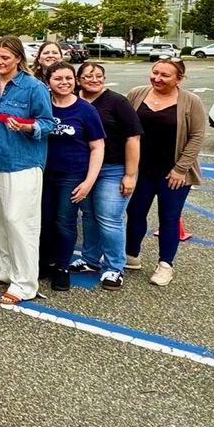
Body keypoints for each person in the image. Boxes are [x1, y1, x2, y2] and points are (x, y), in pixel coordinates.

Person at [0, 36, 56, 305]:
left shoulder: (33, 87)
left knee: (19, 221)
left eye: (5, 58)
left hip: (21, 160)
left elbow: (48, 123)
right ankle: (1, 269)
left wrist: (28, 127)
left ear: (18, 59)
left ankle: (24, 283)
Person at [124, 57, 205, 287]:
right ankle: (131, 255)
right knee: (136, 212)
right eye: (155, 72)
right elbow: (125, 126)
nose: (157, 78)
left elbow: (197, 136)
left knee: (169, 218)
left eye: (165, 75)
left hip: (173, 174)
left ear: (179, 79)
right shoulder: (137, 94)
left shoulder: (191, 101)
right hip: (141, 170)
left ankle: (165, 265)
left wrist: (180, 169)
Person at [75, 62, 142, 290]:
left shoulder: (117, 102)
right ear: (78, 79)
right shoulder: (74, 100)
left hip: (113, 169)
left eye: (99, 75)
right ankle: (90, 260)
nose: (94, 79)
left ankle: (114, 268)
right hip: (84, 169)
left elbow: (133, 138)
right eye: (88, 76)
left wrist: (130, 174)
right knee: (89, 215)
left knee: (109, 218)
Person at [41, 62, 105, 292]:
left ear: (75, 81)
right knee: (44, 221)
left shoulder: (85, 110)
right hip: (44, 172)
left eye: (69, 78)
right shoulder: (43, 106)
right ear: (48, 82)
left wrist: (88, 182)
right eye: (58, 79)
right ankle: (45, 262)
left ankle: (62, 268)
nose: (64, 82)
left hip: (72, 175)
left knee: (64, 223)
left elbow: (97, 147)